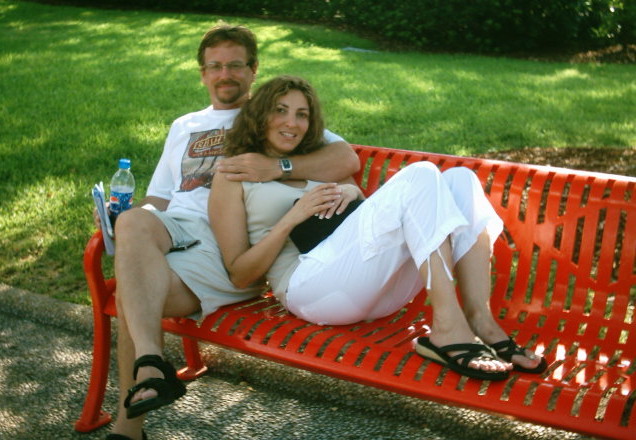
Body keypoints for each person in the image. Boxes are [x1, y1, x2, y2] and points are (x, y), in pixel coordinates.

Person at [95, 25, 360, 440]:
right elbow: (160, 198)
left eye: (236, 65)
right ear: (202, 73)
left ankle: (129, 428)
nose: (225, 75)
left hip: (226, 246)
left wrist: (277, 167)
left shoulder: (273, 114)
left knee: (134, 292)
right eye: (215, 66)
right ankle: (150, 365)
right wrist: (117, 216)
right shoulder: (184, 125)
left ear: (253, 70)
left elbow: (345, 158)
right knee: (132, 222)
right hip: (172, 228)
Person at [209, 75, 548, 384]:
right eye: (280, 110)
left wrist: (353, 193)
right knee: (421, 175)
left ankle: (480, 319)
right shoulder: (232, 177)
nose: (292, 123)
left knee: (461, 179)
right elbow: (240, 275)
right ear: (259, 115)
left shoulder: (315, 161)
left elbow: (367, 224)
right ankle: (447, 327)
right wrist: (291, 219)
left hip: (375, 290)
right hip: (310, 291)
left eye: (302, 114)